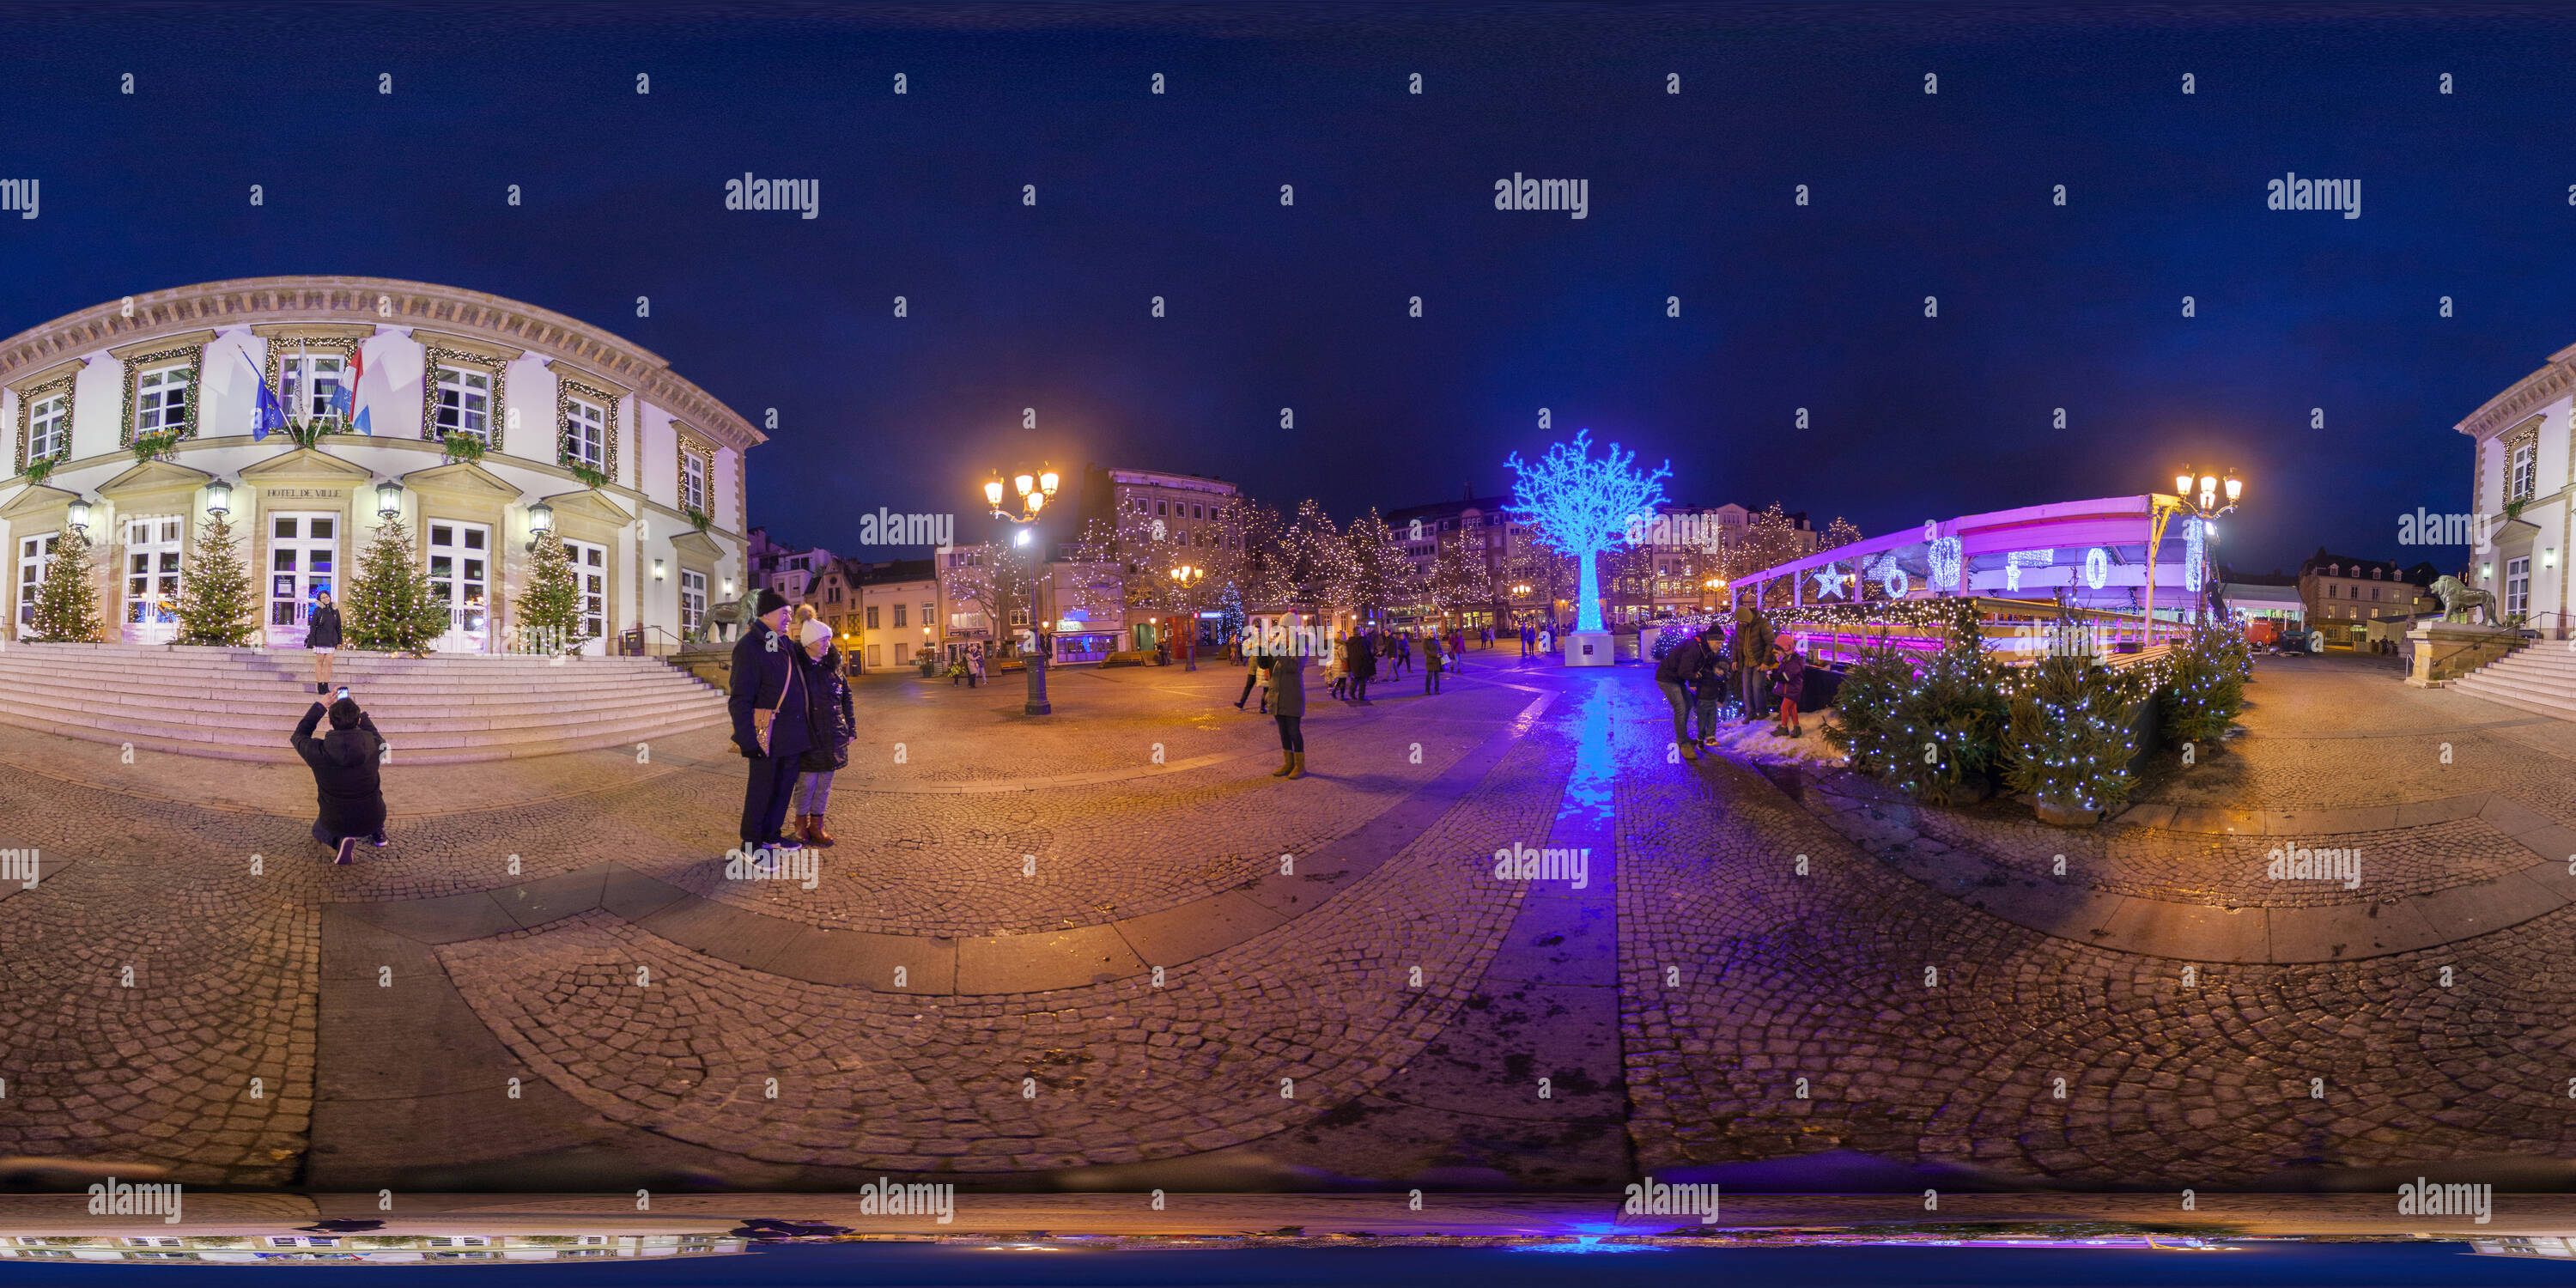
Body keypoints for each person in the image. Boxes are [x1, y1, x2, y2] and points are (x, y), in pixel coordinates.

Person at [729, 589, 810, 858]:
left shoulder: (779, 642)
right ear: (766, 614)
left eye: (791, 614)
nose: (790, 618)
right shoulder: (749, 646)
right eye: (785, 614)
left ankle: (771, 835)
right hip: (767, 734)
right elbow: (740, 698)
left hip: (790, 735)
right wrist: (747, 740)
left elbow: (787, 676)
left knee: (783, 789)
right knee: (761, 790)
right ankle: (751, 845)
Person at [291, 692, 386, 865]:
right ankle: (379, 833)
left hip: (335, 821)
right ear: (358, 722)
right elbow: (376, 735)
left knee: (317, 829)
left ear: (330, 722)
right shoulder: (376, 745)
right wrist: (361, 714)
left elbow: (298, 736)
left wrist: (320, 707)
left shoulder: (317, 752)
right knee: (372, 785)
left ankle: (339, 841)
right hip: (373, 817)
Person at [794, 618, 852, 848]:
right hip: (808, 735)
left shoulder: (833, 667)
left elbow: (846, 697)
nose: (829, 643)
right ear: (809, 642)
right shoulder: (798, 669)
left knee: (825, 783)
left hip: (833, 735)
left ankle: (817, 824)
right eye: (824, 639)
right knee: (806, 782)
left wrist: (851, 727)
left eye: (829, 639)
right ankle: (801, 823)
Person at [1655, 624, 1724, 761]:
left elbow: (1706, 665)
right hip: (1667, 678)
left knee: (1687, 705)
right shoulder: (1694, 647)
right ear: (1709, 640)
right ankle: (1683, 743)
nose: (1720, 646)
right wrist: (1696, 677)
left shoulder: (1706, 649)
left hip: (1677, 679)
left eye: (1722, 643)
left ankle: (1684, 737)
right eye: (1718, 643)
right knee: (1681, 707)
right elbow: (1684, 671)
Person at [1270, 618, 1309, 780]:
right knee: (1283, 732)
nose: (1283, 630)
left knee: (1294, 731)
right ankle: (1288, 763)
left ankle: (1300, 766)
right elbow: (1270, 667)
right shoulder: (1280, 645)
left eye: (1286, 627)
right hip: (1277, 696)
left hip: (1292, 695)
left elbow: (1294, 667)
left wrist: (1277, 652)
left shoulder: (1301, 646)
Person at [1733, 602, 1777, 724]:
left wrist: (1765, 662)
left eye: (1741, 621)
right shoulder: (1740, 626)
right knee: (1747, 689)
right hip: (1746, 662)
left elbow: (1770, 642)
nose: (1740, 623)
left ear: (1747, 618)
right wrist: (1735, 659)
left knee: (1757, 687)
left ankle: (1762, 712)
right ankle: (1750, 713)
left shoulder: (1762, 623)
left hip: (1759, 661)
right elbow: (1737, 643)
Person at [306, 588, 343, 696]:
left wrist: (340, 640)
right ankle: (319, 684)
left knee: (329, 663)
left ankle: (326, 685)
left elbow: (338, 626)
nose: (326, 599)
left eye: (327, 597)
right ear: (320, 600)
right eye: (323, 598)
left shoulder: (335, 610)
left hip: (331, 639)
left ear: (329, 597)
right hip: (320, 639)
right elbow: (313, 626)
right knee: (320, 662)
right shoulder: (318, 610)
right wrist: (312, 640)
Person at [1771, 643, 1808, 738]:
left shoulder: (1793, 662)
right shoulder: (1788, 660)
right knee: (1792, 708)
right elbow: (1782, 673)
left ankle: (1784, 728)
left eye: (1779, 651)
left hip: (1793, 689)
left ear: (1786, 650)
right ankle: (1796, 727)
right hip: (1790, 689)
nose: (1778, 654)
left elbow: (1786, 676)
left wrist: (1772, 676)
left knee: (1784, 708)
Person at [1422, 630, 1445, 695]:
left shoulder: (1437, 640)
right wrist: (1435, 655)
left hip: (1437, 661)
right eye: (1431, 633)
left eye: (1434, 633)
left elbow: (1440, 648)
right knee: (1429, 676)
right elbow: (1426, 651)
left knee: (1437, 677)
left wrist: (1441, 653)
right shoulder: (1426, 641)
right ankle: (1427, 690)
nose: (1433, 634)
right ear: (1428, 634)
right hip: (1430, 661)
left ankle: (1437, 690)